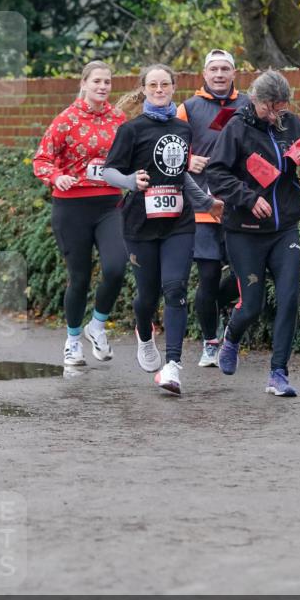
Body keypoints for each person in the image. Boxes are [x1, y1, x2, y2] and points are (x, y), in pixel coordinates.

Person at [206, 69, 300, 397]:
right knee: (252, 306)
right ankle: (231, 338)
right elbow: (216, 174)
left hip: (284, 229)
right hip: (244, 231)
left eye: (282, 107)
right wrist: (249, 199)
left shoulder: (292, 124)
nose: (276, 114)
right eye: (270, 109)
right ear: (255, 101)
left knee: (289, 298)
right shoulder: (236, 128)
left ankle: (278, 373)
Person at [102, 64, 223, 396]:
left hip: (179, 223)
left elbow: (179, 173)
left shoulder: (182, 129)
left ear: (173, 87)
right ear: (144, 89)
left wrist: (206, 202)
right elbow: (108, 171)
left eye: (165, 84)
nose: (159, 89)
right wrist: (131, 181)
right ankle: (144, 332)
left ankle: (172, 367)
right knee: (146, 297)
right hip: (140, 224)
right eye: (153, 85)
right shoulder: (131, 130)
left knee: (175, 289)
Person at [33, 60, 128, 367]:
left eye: (107, 82)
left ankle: (97, 326)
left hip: (109, 204)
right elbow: (42, 159)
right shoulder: (66, 120)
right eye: (97, 81)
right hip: (72, 206)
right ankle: (73, 341)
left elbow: (129, 156)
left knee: (116, 266)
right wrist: (56, 176)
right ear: (84, 83)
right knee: (80, 278)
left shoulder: (118, 118)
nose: (103, 87)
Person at [176, 48, 249, 368]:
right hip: (203, 207)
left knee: (242, 275)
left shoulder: (248, 104)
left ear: (235, 73)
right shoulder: (188, 108)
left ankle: (223, 311)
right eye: (213, 69)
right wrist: (188, 160)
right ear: (204, 75)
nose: (219, 75)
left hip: (240, 205)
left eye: (225, 69)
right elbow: (167, 148)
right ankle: (210, 343)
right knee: (206, 277)